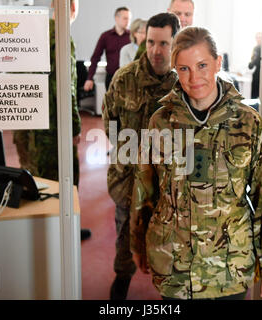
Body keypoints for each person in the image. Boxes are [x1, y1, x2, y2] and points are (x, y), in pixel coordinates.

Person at [130, 27, 262, 300]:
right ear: (175, 71)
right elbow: (144, 189)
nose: (194, 77)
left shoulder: (248, 123)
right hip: (174, 266)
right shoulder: (161, 122)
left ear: (218, 62)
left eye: (202, 65)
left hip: (230, 269)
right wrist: (139, 244)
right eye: (183, 68)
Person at [102, 12, 181, 300]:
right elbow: (110, 122)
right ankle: (122, 278)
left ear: (175, 43)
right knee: (125, 236)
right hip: (127, 180)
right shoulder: (125, 79)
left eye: (163, 43)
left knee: (169, 245)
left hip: (168, 187)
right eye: (150, 42)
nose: (155, 51)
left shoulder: (183, 84)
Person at [13, 0, 91, 240]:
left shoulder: (30, 33)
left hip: (27, 125)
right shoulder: (61, 37)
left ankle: (44, 233)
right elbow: (64, 89)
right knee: (64, 183)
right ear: (74, 9)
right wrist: (75, 126)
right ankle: (64, 235)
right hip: (53, 130)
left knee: (35, 179)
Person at [83, 7, 131, 91]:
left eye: (129, 19)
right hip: (111, 78)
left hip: (128, 78)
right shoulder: (105, 36)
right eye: (125, 18)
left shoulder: (132, 36)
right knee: (111, 103)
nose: (128, 21)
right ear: (116, 18)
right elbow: (95, 57)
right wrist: (89, 78)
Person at [248, 32, 262, 99]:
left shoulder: (258, 48)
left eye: (260, 37)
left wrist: (251, 63)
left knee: (256, 97)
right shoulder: (256, 48)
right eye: (257, 37)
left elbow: (251, 64)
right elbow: (251, 65)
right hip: (257, 75)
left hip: (260, 75)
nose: (258, 39)